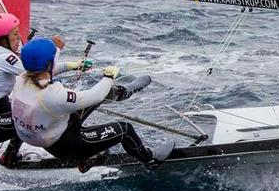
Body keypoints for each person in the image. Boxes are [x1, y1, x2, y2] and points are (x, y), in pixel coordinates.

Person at [10, 37, 172, 172]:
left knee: (85, 104)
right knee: (125, 129)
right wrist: (108, 77)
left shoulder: (21, 79)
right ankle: (150, 160)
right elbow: (95, 95)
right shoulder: (53, 95)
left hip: (40, 134)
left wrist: (72, 66)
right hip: (67, 145)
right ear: (48, 64)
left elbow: (45, 70)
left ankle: (123, 92)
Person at [0, 13, 87, 167]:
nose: (19, 38)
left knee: (25, 104)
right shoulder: (3, 57)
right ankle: (75, 156)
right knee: (36, 113)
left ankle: (9, 155)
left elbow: (35, 70)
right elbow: (40, 72)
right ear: (2, 38)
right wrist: (56, 50)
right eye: (14, 34)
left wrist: (72, 65)